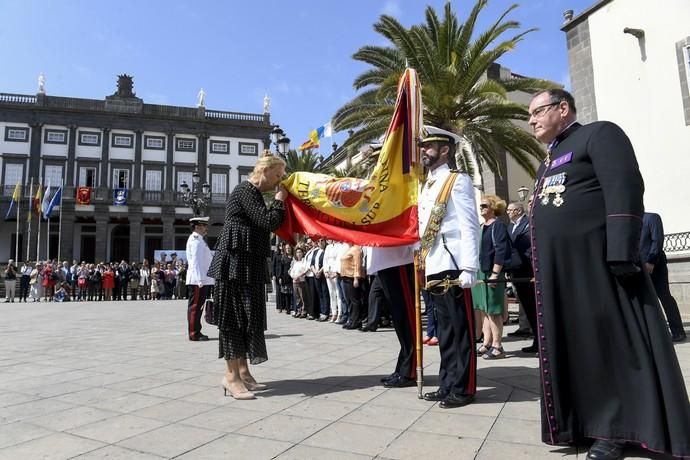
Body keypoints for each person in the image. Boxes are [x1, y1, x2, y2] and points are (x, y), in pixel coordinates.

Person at [528, 88, 690, 459]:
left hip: (599, 266)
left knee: (608, 347)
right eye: (530, 115)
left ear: (563, 108)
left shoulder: (599, 134)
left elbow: (625, 188)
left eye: (537, 112)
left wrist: (620, 251)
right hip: (561, 273)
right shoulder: (549, 160)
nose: (531, 120)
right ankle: (582, 421)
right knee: (577, 347)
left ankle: (616, 429)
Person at [208, 152, 287, 400]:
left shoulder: (253, 194)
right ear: (264, 171)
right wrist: (280, 201)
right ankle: (230, 377)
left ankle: (243, 371)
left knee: (247, 317)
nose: (278, 181)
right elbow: (267, 222)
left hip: (247, 264)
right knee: (232, 318)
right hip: (233, 265)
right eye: (277, 175)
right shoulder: (245, 190)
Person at [418, 125, 480, 409]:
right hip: (434, 263)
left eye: (428, 147)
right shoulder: (426, 184)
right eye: (422, 147)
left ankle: (463, 388)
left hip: (455, 265)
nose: (423, 151)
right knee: (444, 331)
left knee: (460, 329)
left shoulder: (457, 180)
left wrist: (470, 267)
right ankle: (447, 383)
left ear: (445, 150)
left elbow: (468, 225)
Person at [366, 245, 418, 388]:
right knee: (399, 320)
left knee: (406, 318)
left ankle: (410, 372)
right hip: (384, 263)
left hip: (398, 260)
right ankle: (402, 368)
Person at [472, 195, 510, 360]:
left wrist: (495, 273)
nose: (481, 208)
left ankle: (498, 346)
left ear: (493, 208)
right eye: (480, 206)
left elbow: (501, 250)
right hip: (481, 272)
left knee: (493, 310)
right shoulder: (482, 226)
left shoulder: (498, 225)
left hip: (492, 272)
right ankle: (487, 343)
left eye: (484, 206)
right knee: (483, 310)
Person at [640, 212, 686, 342]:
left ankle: (678, 331)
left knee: (664, 296)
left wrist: (651, 261)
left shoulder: (652, 218)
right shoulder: (631, 221)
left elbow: (657, 240)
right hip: (638, 268)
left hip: (656, 266)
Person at [506, 201, 538, 352]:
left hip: (528, 270)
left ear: (518, 211)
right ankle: (534, 338)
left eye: (510, 210)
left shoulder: (529, 222)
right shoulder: (510, 227)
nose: (508, 212)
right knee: (526, 304)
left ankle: (539, 340)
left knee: (534, 306)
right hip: (516, 271)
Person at [186, 216, 215, 341]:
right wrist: (199, 280)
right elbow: (195, 262)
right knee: (195, 307)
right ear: (197, 227)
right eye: (204, 226)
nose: (206, 228)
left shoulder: (199, 240)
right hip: (199, 280)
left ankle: (196, 330)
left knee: (198, 306)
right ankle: (194, 333)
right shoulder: (196, 241)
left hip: (202, 279)